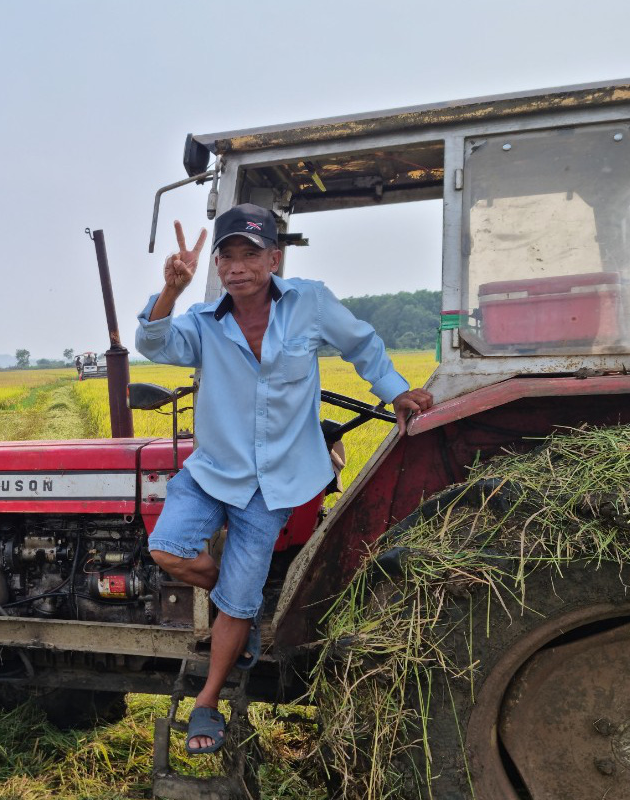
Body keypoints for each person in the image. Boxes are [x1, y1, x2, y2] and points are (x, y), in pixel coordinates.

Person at [135, 204, 433, 754]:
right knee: (169, 551)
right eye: (227, 256)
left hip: (276, 482)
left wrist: (395, 390)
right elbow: (153, 344)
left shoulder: (310, 303)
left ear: (274, 258)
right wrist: (171, 291)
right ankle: (239, 610)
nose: (238, 266)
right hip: (213, 472)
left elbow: (362, 345)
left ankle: (206, 703)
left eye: (251, 254)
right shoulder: (202, 323)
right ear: (218, 267)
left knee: (239, 599)